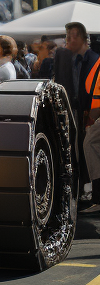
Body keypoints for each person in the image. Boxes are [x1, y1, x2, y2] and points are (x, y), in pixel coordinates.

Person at [52, 21, 97, 198]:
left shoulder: (92, 59)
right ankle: (82, 189)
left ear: (83, 38)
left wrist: (90, 112)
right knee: (75, 149)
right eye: (67, 36)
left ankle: (90, 190)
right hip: (74, 110)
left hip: (87, 112)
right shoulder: (68, 58)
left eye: (73, 36)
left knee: (86, 149)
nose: (69, 40)